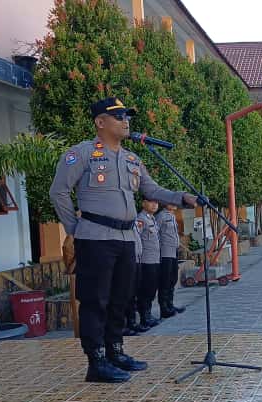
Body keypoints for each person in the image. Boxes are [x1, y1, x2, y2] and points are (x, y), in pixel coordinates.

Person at [49, 97, 201, 383]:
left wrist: (180, 198)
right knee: (96, 300)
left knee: (121, 298)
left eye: (126, 116)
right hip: (95, 238)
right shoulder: (81, 154)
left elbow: (151, 189)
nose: (125, 121)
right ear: (100, 122)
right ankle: (96, 361)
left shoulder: (132, 159)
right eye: (119, 116)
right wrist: (75, 227)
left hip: (127, 238)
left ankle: (116, 351)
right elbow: (58, 192)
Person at [136, 199, 163, 329]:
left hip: (155, 259)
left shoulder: (152, 218)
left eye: (156, 203)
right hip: (146, 260)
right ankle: (144, 317)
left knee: (152, 289)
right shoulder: (140, 219)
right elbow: (137, 239)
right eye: (151, 202)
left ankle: (148, 314)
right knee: (145, 290)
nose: (154, 205)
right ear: (143, 203)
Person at [157, 203, 185, 317]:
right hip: (165, 252)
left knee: (173, 279)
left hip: (173, 252)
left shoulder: (172, 216)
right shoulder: (161, 216)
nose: (175, 204)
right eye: (171, 202)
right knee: (165, 280)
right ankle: (164, 308)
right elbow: (156, 234)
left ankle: (170, 304)